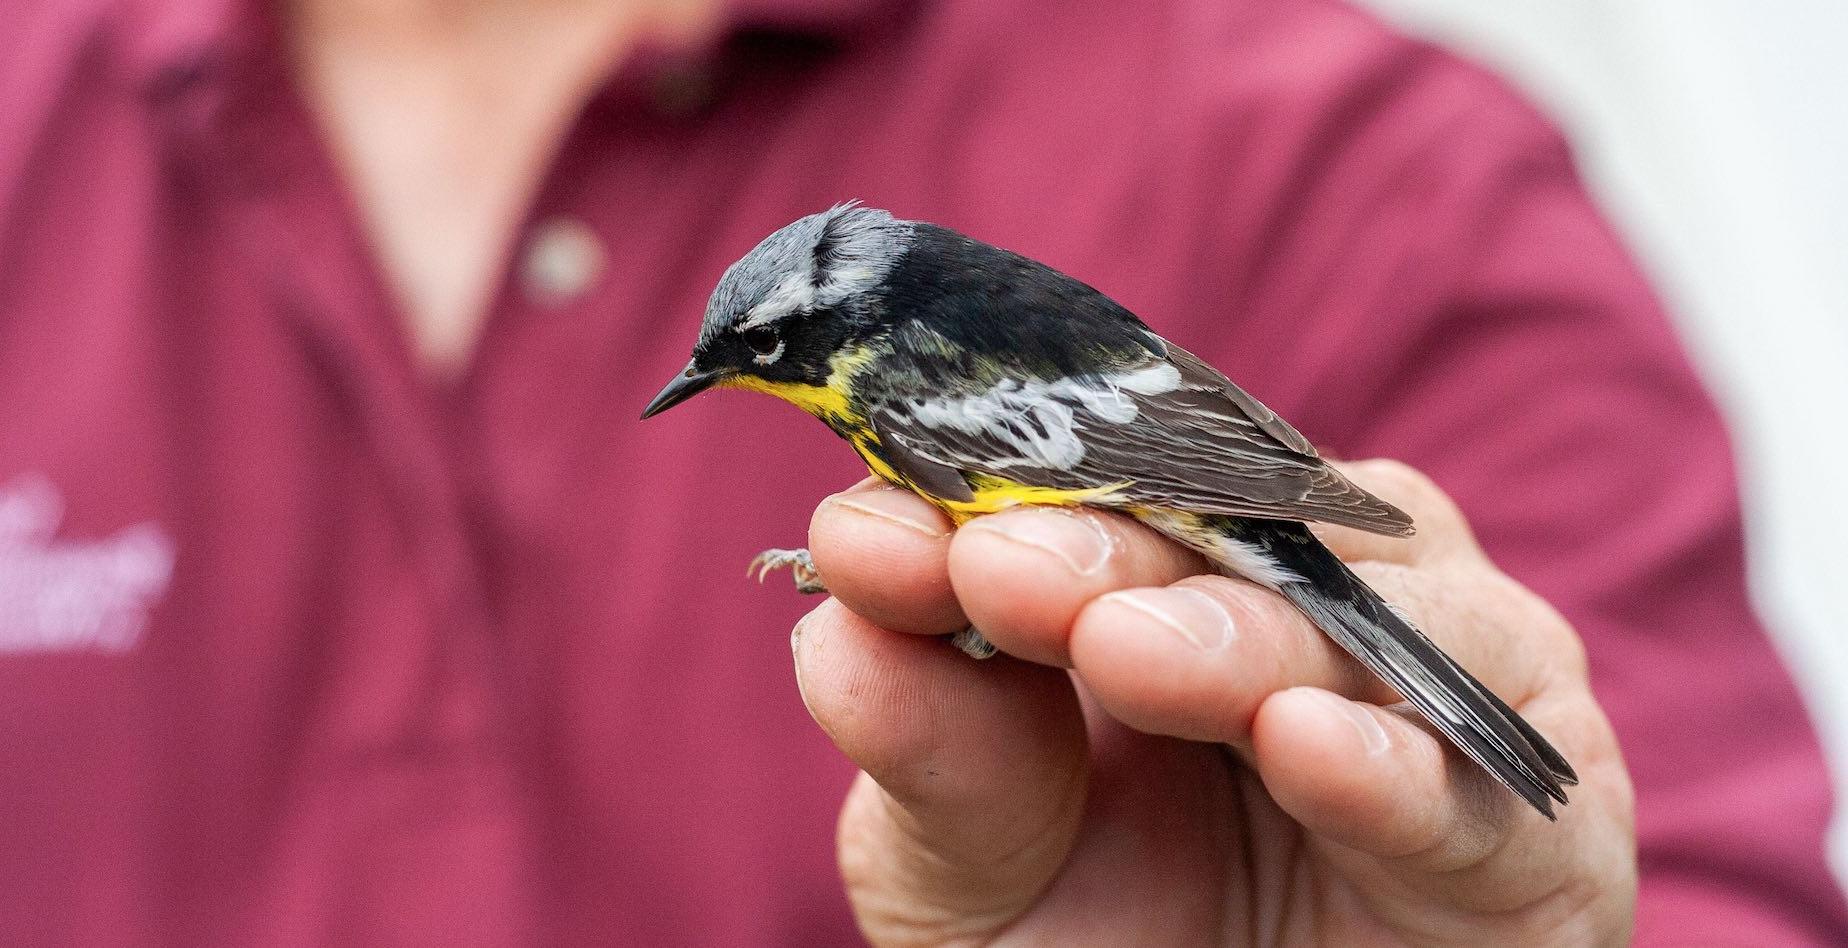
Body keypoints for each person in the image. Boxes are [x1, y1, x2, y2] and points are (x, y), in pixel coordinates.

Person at [0, 0, 1842, 943]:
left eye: (763, 365)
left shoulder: (1342, 158)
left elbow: (1703, 882)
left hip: (1194, 496)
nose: (746, 391)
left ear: (827, 339)